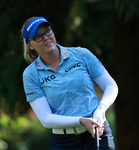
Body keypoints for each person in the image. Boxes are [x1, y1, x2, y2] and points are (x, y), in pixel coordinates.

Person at [21, 16, 118, 150]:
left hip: (97, 133)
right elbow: (45, 118)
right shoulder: (31, 75)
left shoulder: (81, 54)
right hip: (64, 141)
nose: (45, 38)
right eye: (38, 36)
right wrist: (80, 121)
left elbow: (110, 85)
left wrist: (101, 108)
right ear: (30, 45)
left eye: (47, 31)